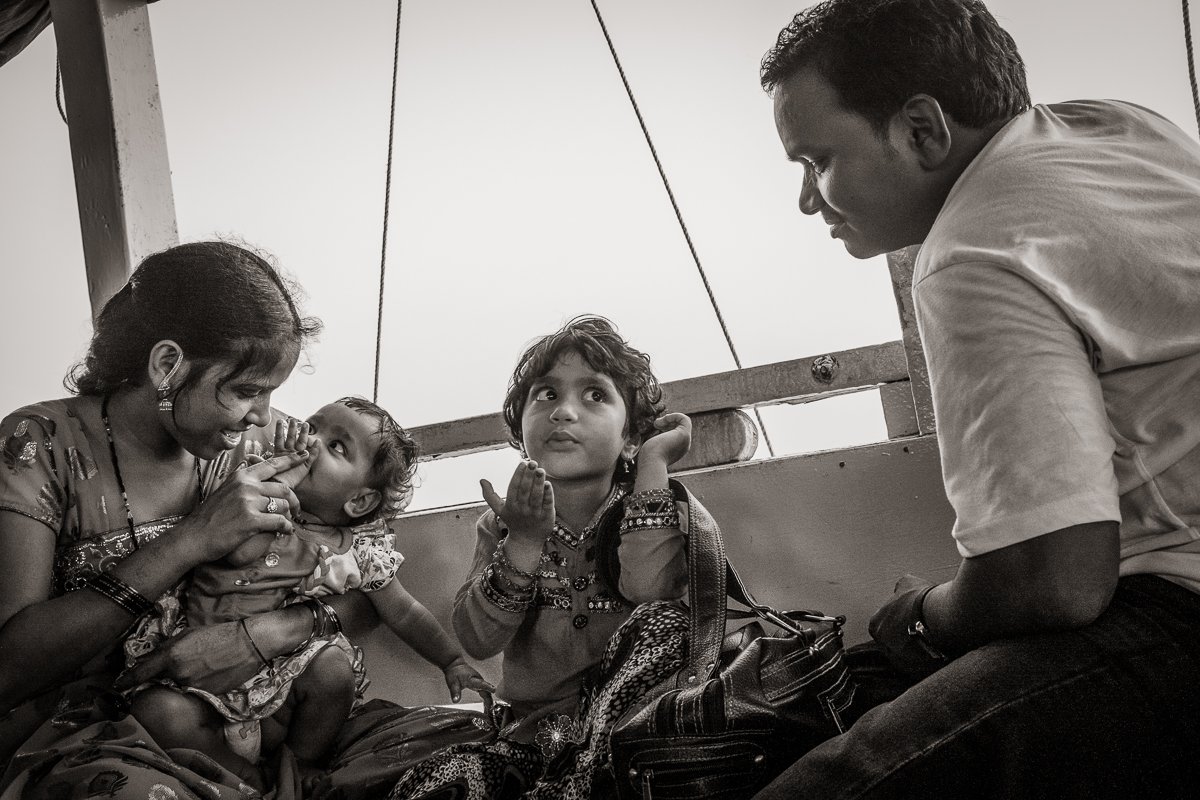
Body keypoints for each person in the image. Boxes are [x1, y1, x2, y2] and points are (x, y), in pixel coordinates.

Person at [755, 0, 1200, 797]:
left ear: (922, 131)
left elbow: (1054, 582)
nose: (807, 199)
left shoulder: (971, 247)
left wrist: (918, 618)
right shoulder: (1117, 127)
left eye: (815, 161)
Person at [0, 242, 491, 800]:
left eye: (271, 393)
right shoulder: (40, 445)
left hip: (269, 705)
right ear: (167, 366)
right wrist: (191, 540)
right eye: (246, 391)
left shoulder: (262, 445)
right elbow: (11, 669)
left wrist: (260, 636)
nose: (265, 414)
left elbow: (365, 584)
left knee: (467, 750)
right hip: (87, 733)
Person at [124, 399, 491, 787]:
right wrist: (279, 490)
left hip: (279, 689)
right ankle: (246, 777)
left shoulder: (359, 553)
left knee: (332, 670)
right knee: (154, 711)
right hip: (196, 676)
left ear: (359, 501)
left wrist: (451, 661)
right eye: (312, 426)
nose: (311, 440)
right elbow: (239, 553)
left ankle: (301, 766)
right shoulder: (255, 497)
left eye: (336, 446)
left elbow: (403, 611)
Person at [453, 315, 693, 746]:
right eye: (546, 394)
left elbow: (652, 592)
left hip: (637, 729)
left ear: (631, 439)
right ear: (519, 427)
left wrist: (654, 463)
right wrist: (523, 542)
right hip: (535, 735)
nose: (563, 411)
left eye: (595, 395)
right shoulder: (502, 524)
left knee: (667, 621)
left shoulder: (649, 506)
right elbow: (478, 639)